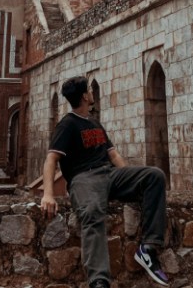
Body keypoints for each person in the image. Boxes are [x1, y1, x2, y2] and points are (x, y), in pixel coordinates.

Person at [41, 76, 169, 288]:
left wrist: (130, 177)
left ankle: (147, 249)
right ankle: (99, 279)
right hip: (84, 179)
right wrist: (48, 194)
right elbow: (51, 159)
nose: (92, 92)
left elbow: (114, 155)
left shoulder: (94, 122)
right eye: (90, 90)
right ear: (84, 96)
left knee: (154, 176)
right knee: (91, 211)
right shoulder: (67, 124)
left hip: (109, 174)